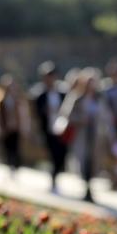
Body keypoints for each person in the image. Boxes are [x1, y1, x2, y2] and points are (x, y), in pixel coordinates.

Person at [55, 68, 113, 203]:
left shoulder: (99, 98)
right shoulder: (77, 97)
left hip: (96, 136)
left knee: (93, 162)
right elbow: (66, 116)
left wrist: (109, 134)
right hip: (81, 135)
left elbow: (106, 117)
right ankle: (86, 188)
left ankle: (90, 187)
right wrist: (81, 120)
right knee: (83, 161)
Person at [34, 61, 67, 192]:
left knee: (62, 154)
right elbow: (37, 112)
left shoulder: (62, 93)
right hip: (48, 129)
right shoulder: (40, 95)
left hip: (62, 129)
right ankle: (53, 178)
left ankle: (55, 175)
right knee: (53, 154)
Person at [0, 74, 30, 171]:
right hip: (5, 129)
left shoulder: (18, 100)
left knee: (16, 149)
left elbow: (24, 115)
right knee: (7, 149)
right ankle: (9, 166)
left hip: (16, 129)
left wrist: (25, 128)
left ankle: (15, 166)